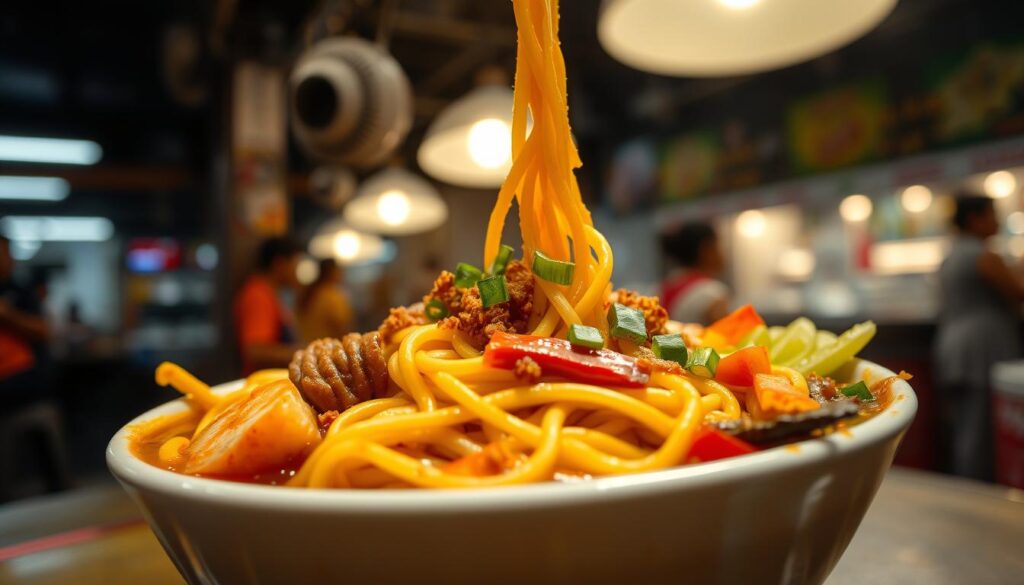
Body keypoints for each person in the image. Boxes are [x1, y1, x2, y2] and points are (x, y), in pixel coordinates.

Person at [935, 194, 1024, 481]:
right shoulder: (984, 255)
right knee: (980, 430)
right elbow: (1017, 292)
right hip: (982, 349)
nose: (997, 220)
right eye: (992, 214)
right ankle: (977, 493)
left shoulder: (951, 254)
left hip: (954, 346)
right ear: (974, 219)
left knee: (965, 425)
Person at [234, 237, 303, 375]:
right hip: (262, 384)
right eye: (296, 265)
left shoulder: (271, 292)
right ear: (280, 264)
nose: (297, 272)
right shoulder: (258, 294)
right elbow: (255, 351)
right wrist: (305, 353)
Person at [0, 236, 50, 407]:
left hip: (24, 392)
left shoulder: (22, 292)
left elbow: (44, 330)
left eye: (4, 253)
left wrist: (8, 315)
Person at [660, 222, 730, 324]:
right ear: (706, 250)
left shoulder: (664, 288)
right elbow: (727, 337)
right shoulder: (712, 292)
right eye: (717, 245)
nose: (722, 253)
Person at [298, 258, 354, 342]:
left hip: (307, 347)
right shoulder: (333, 296)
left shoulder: (307, 293)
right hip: (327, 348)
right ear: (332, 272)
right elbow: (341, 327)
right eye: (339, 270)